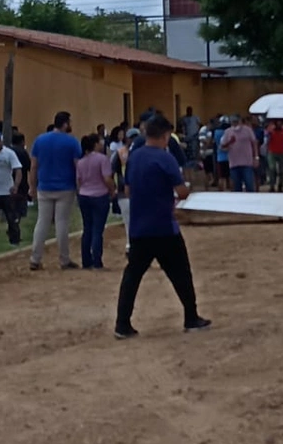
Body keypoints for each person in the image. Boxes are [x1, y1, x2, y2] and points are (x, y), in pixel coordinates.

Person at [114, 115, 211, 340]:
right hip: (164, 227)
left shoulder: (134, 157)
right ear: (165, 135)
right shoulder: (165, 158)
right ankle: (191, 317)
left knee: (132, 277)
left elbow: (128, 190)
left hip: (139, 228)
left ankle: (122, 323)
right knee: (181, 274)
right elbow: (182, 191)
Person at [29, 111, 82, 271]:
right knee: (62, 223)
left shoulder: (40, 140)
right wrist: (80, 188)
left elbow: (33, 166)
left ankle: (35, 258)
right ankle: (64, 259)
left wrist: (32, 186)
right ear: (65, 124)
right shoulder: (72, 142)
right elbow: (77, 167)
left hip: (44, 186)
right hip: (65, 187)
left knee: (42, 222)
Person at [77, 133, 115, 270]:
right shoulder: (102, 159)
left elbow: (79, 181)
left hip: (84, 195)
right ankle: (97, 261)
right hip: (99, 195)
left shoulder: (81, 161)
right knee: (98, 229)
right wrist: (112, 190)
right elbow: (107, 178)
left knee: (87, 228)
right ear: (95, 144)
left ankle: (86, 261)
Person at [111, 128, 138, 258]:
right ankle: (133, 247)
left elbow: (111, 172)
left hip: (124, 192)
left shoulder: (120, 153)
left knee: (129, 222)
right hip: (135, 193)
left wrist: (115, 188)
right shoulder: (143, 153)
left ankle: (131, 247)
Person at [221, 115, 258, 193]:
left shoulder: (248, 130)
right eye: (233, 122)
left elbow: (254, 143)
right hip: (234, 163)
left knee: (249, 185)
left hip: (247, 163)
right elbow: (222, 147)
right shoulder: (228, 132)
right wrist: (229, 142)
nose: (235, 124)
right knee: (236, 188)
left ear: (240, 121)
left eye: (236, 122)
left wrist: (256, 157)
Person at [9, 133, 31, 219]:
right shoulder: (23, 152)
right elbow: (29, 166)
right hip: (22, 183)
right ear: (22, 142)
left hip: (9, 182)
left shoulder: (8, 151)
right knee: (20, 205)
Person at [266, 119, 283, 192]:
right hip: (272, 152)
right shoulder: (270, 130)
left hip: (281, 152)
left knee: (281, 170)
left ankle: (280, 185)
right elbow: (267, 140)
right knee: (272, 169)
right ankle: (272, 185)